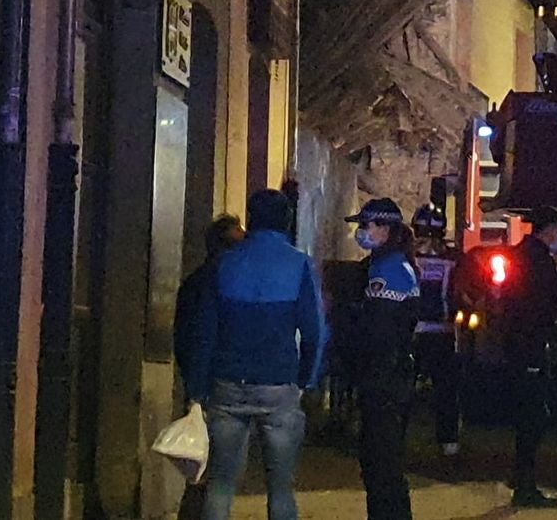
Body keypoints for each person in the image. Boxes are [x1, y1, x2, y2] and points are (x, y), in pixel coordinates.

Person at [184, 189, 326, 520]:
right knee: (280, 488)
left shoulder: (226, 263)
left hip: (228, 384)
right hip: (279, 383)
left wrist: (196, 391)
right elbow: (314, 330)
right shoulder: (300, 264)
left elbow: (205, 333)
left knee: (220, 485)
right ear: (287, 221)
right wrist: (307, 379)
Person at [342, 197, 422, 520]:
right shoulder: (384, 265)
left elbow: (380, 331)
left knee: (382, 465)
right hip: (387, 378)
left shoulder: (389, 271)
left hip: (385, 380)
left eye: (366, 225)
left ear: (385, 229)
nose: (362, 232)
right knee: (379, 464)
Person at [175, 215, 244, 520]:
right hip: (217, 387)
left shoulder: (195, 281)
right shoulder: (222, 284)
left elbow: (183, 339)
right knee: (217, 476)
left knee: (200, 472)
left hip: (202, 385)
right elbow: (201, 338)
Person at [502, 205, 557, 509]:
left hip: (516, 344)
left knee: (526, 413)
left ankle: (521, 478)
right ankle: (525, 485)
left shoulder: (519, 255)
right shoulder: (541, 262)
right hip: (531, 345)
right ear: (548, 230)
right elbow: (551, 301)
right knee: (533, 416)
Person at [411, 202, 463, 455]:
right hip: (443, 332)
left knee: (404, 389)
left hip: (412, 331)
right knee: (445, 391)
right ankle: (449, 442)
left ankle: (396, 441)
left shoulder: (406, 253)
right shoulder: (452, 257)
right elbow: (464, 291)